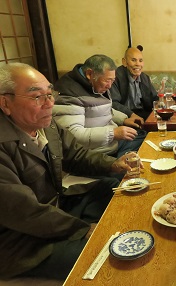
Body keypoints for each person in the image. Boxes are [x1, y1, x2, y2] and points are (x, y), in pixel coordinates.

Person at [0, 63, 136, 280]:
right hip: (21, 240)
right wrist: (81, 229)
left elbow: (76, 155)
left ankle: (88, 231)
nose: (50, 104)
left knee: (111, 187)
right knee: (104, 258)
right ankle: (83, 238)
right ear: (5, 102)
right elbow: (25, 212)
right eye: (37, 97)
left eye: (50, 94)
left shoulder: (45, 125)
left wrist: (113, 165)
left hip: (55, 207)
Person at [53, 54, 146, 157]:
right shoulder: (69, 93)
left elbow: (100, 109)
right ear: (89, 74)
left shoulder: (94, 83)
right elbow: (73, 135)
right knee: (132, 164)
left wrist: (124, 119)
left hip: (111, 143)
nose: (110, 86)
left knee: (144, 137)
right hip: (94, 154)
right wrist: (113, 133)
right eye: (107, 80)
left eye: (112, 81)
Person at [111, 47, 158, 121]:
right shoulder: (115, 77)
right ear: (124, 62)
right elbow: (113, 103)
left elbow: (154, 98)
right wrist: (131, 114)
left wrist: (163, 100)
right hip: (124, 116)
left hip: (143, 114)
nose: (138, 64)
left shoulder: (145, 78)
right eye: (133, 60)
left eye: (140, 60)